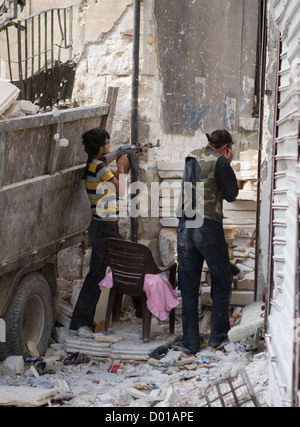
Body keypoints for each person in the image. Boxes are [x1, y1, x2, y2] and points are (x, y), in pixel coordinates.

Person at [69, 128, 145, 336]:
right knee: (99, 273)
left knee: (128, 264)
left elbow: (116, 182)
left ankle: (141, 311)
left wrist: (130, 158)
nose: (110, 147)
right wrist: (121, 165)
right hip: (104, 227)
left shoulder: (97, 164)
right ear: (101, 147)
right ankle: (79, 323)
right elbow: (120, 191)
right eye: (108, 144)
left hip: (106, 226)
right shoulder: (98, 166)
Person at [176, 129, 239, 353]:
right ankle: (218, 337)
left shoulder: (192, 156)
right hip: (207, 228)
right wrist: (227, 163)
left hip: (184, 228)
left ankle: (190, 342)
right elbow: (232, 194)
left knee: (189, 287)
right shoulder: (220, 161)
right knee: (221, 281)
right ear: (225, 147)